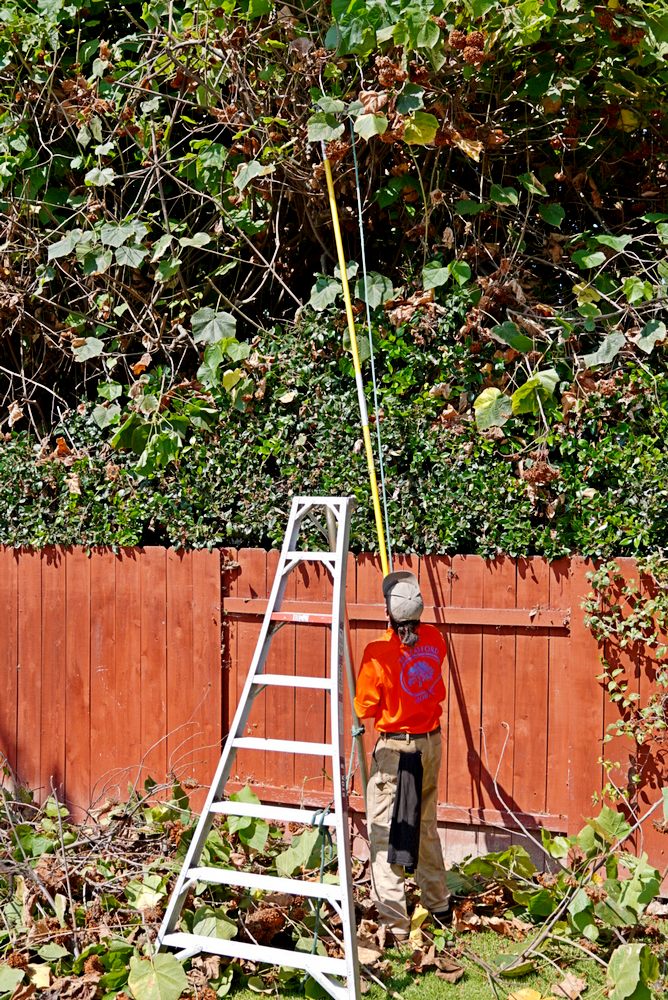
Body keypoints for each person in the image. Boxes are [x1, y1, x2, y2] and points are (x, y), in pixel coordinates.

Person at [354, 570, 450, 943]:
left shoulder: (377, 653)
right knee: (424, 824)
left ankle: (394, 923)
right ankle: (439, 905)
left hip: (395, 749)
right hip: (430, 745)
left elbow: (365, 707)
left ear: (388, 614)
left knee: (383, 833)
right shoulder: (435, 639)